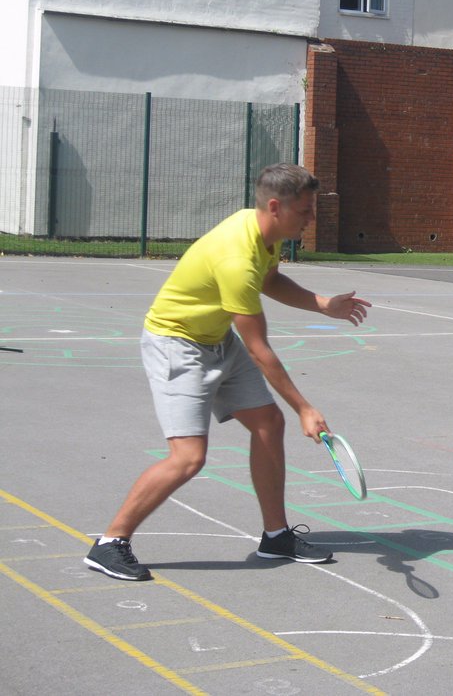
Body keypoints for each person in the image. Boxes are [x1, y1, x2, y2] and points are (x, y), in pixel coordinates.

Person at [85, 163, 371, 580]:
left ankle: (276, 537)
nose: (311, 219)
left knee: (268, 423)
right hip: (177, 345)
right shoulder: (235, 257)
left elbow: (270, 280)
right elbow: (260, 350)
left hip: (215, 338)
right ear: (275, 207)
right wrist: (305, 408)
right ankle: (110, 542)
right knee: (188, 458)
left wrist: (322, 303)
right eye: (305, 211)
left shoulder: (264, 234)